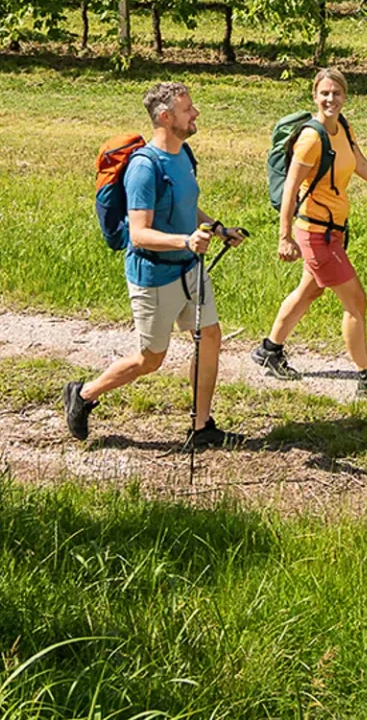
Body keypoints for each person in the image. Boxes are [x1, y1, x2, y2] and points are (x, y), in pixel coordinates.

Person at [63, 80, 244, 449]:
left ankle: (202, 424)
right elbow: (140, 235)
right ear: (165, 117)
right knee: (150, 359)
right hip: (154, 276)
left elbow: (185, 207)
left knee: (210, 336)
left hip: (188, 268)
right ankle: (83, 395)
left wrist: (218, 229)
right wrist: (186, 241)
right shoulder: (144, 168)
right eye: (187, 109)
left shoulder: (183, 155)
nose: (195, 113)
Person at [252, 66, 367, 398]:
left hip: (332, 232)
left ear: (345, 96)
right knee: (356, 302)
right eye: (324, 93)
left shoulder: (343, 127)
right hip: (315, 234)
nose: (330, 99)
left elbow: (361, 163)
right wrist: (284, 237)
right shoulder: (311, 138)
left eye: (336, 93)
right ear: (315, 95)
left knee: (309, 291)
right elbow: (291, 190)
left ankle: (269, 350)